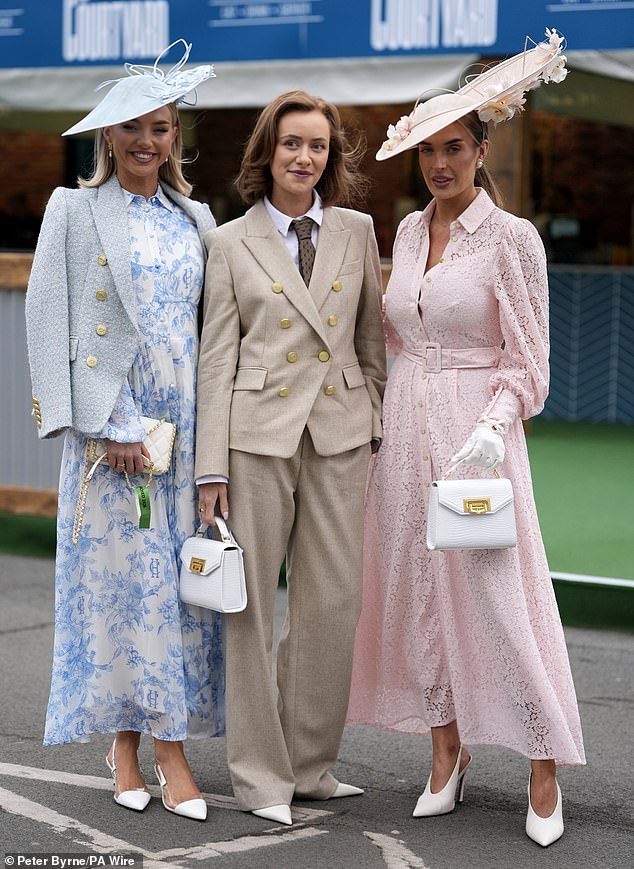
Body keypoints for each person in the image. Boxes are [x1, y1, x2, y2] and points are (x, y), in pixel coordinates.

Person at [347, 29, 585, 847]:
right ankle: (446, 751)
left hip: (476, 435)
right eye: (428, 151)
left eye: (454, 147)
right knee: (419, 591)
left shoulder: (513, 238)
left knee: (497, 593)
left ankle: (543, 758)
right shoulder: (410, 233)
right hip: (405, 433)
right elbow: (399, 337)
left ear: (482, 149)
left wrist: (490, 429)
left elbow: (531, 362)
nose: (440, 164)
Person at [25, 41, 223, 822]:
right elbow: (49, 324)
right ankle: (147, 749)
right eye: (134, 127)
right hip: (112, 439)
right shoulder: (71, 210)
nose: (149, 141)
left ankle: (150, 743)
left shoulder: (197, 217)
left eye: (163, 127)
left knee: (174, 597)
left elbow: (216, 331)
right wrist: (109, 425)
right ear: (109, 135)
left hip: (186, 434)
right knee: (120, 593)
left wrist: (216, 446)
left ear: (177, 136)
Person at [196, 90, 387, 826]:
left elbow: (371, 346)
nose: (305, 157)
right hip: (256, 440)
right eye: (291, 145)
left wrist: (371, 418)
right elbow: (217, 359)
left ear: (331, 157)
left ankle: (311, 767)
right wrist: (210, 466)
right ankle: (260, 776)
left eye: (318, 146)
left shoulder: (357, 229)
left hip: (339, 436)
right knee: (250, 614)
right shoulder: (230, 241)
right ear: (266, 155)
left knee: (332, 605)